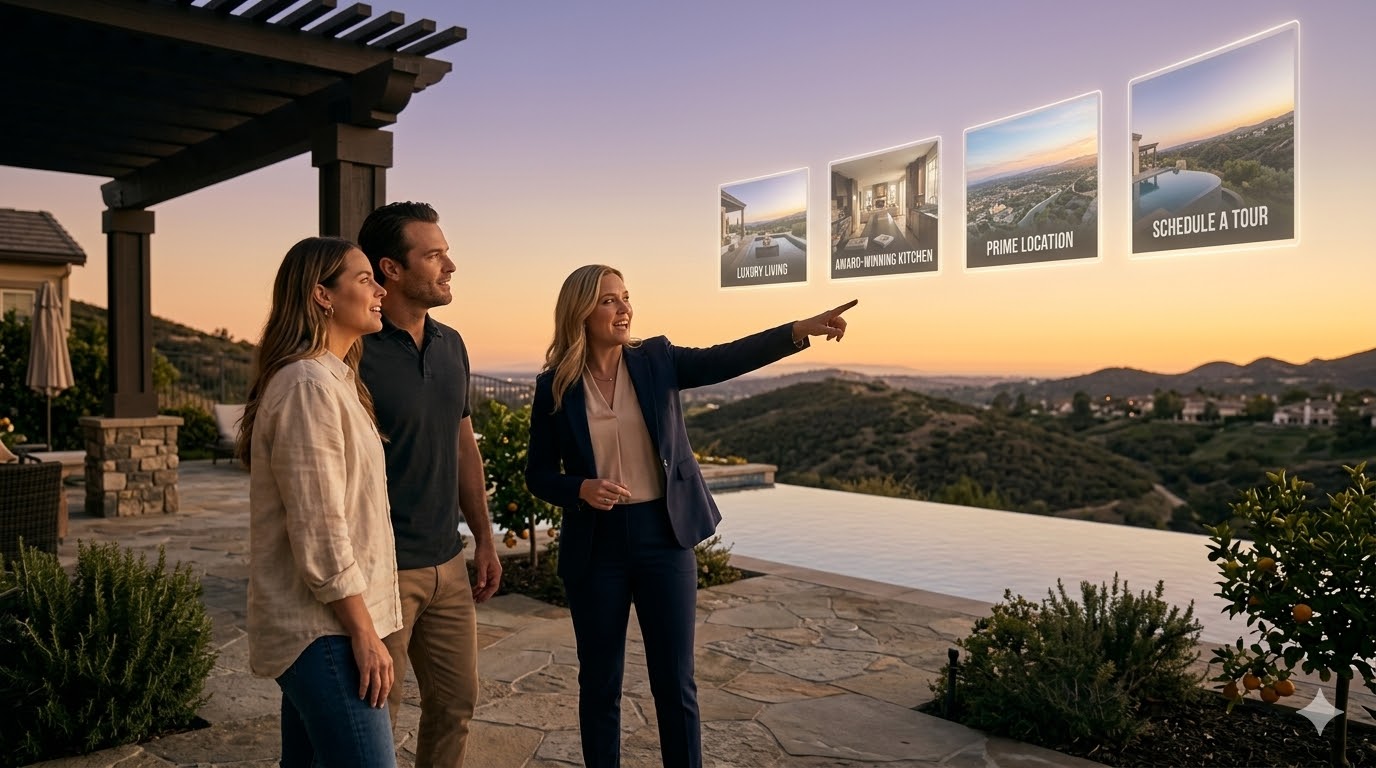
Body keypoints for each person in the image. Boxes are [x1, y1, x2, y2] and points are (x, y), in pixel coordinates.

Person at [525, 264, 857, 768]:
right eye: (610, 300)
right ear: (581, 312)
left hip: (664, 536)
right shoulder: (556, 385)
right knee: (599, 684)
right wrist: (581, 488)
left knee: (675, 682)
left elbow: (726, 358)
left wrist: (797, 330)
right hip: (596, 545)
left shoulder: (656, 359)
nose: (624, 308)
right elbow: (538, 474)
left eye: (626, 297)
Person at [238, 236, 400, 768]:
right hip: (326, 631)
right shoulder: (308, 385)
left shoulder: (334, 379)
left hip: (330, 628)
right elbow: (321, 529)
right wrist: (363, 632)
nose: (380, 289)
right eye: (364, 279)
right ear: (322, 294)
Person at [357, 201, 502, 767]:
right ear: (391, 269)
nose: (450, 266)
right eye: (434, 255)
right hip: (383, 569)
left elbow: (464, 446)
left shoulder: (451, 343)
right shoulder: (354, 350)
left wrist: (483, 539)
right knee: (377, 717)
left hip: (448, 563)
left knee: (455, 705)